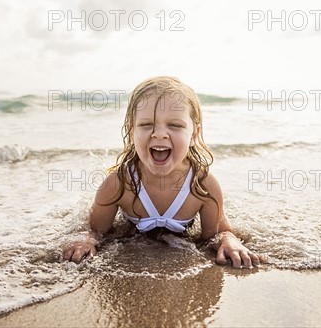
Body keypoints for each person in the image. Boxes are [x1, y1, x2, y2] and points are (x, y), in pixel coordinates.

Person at [63, 76, 261, 268]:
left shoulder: (203, 186)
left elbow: (218, 233)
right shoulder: (118, 184)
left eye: (174, 125)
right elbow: (94, 231)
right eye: (146, 125)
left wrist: (229, 241)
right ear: (132, 132)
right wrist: (85, 241)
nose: (159, 133)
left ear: (194, 134)